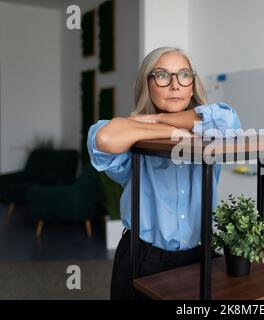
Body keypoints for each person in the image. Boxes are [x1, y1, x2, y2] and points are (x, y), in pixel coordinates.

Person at [87, 46, 242, 299]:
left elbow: (230, 123)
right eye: (162, 75)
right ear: (147, 84)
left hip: (201, 254)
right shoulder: (129, 135)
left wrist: (158, 120)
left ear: (192, 85)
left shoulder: (211, 128)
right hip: (143, 257)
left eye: (184, 75)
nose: (175, 85)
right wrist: (170, 132)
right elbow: (104, 138)